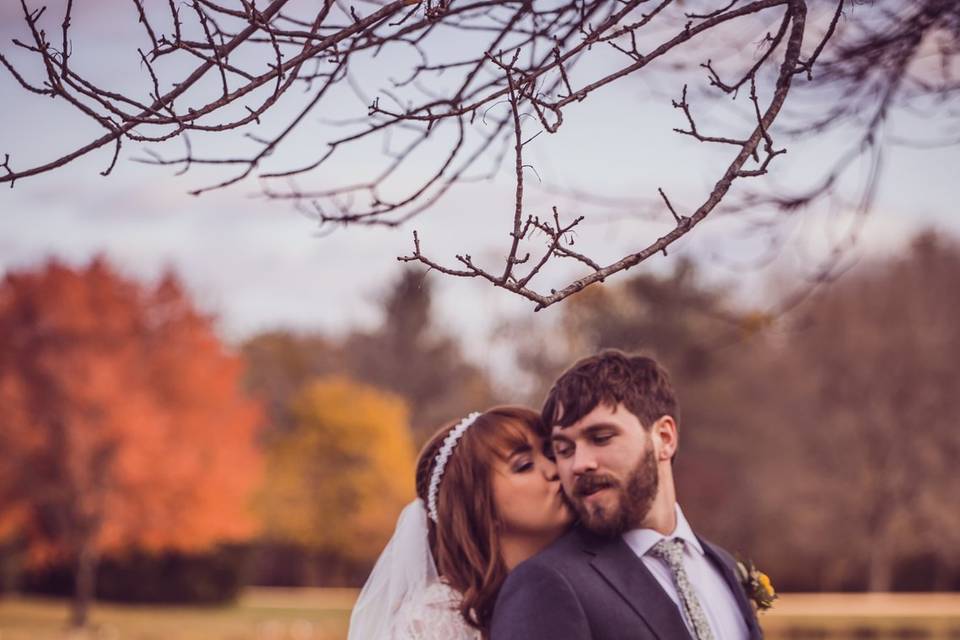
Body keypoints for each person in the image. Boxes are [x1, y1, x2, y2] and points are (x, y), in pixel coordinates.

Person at [491, 350, 764, 640]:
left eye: (601, 438)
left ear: (664, 438)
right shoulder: (545, 583)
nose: (579, 464)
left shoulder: (727, 569)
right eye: (564, 449)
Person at [348, 406, 572, 639]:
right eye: (524, 465)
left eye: (551, 453)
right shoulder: (435, 619)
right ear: (478, 505)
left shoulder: (569, 583)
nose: (554, 469)